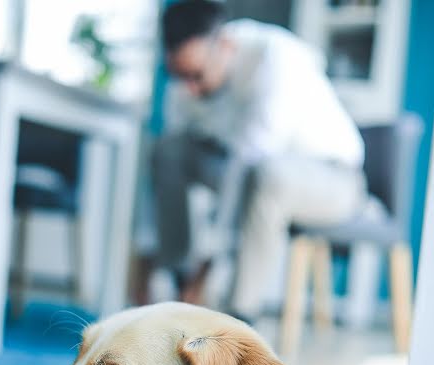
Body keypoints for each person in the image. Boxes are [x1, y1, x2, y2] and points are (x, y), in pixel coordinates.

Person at [134, 0, 366, 320]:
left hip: (333, 178)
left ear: (225, 46)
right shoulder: (187, 76)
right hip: (246, 169)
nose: (188, 87)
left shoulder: (276, 58)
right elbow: (181, 149)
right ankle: (175, 277)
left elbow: (244, 169)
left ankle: (239, 317)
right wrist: (146, 253)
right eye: (179, 75)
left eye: (197, 75)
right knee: (168, 150)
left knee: (266, 176)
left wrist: (208, 266)